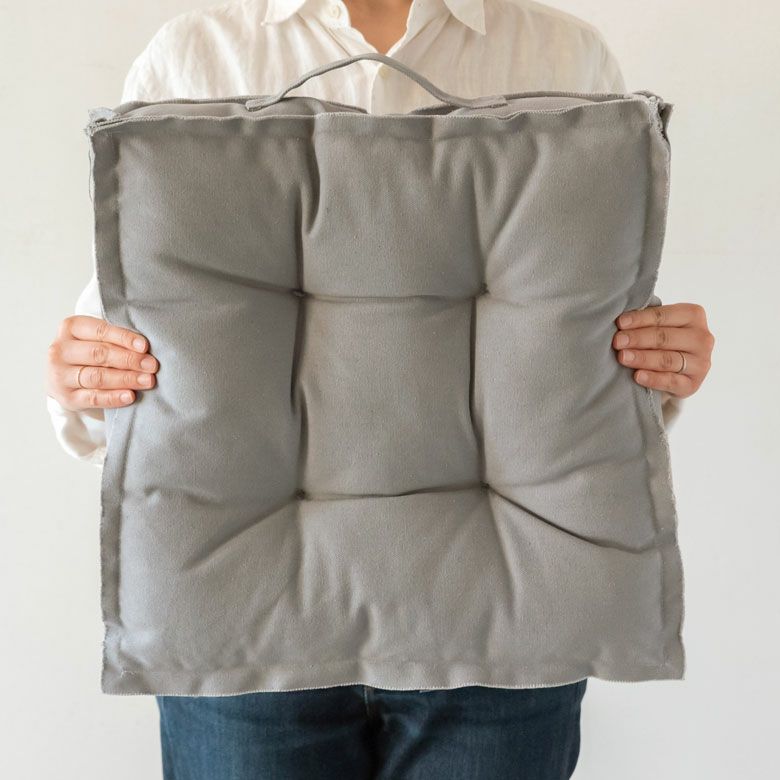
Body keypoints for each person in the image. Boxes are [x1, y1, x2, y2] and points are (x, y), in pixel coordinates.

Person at [45, 1, 715, 778]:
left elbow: (583, 334)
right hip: (246, 631)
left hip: (504, 630)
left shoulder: (562, 52)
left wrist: (661, 365)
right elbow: (132, 328)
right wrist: (81, 380)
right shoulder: (197, 51)